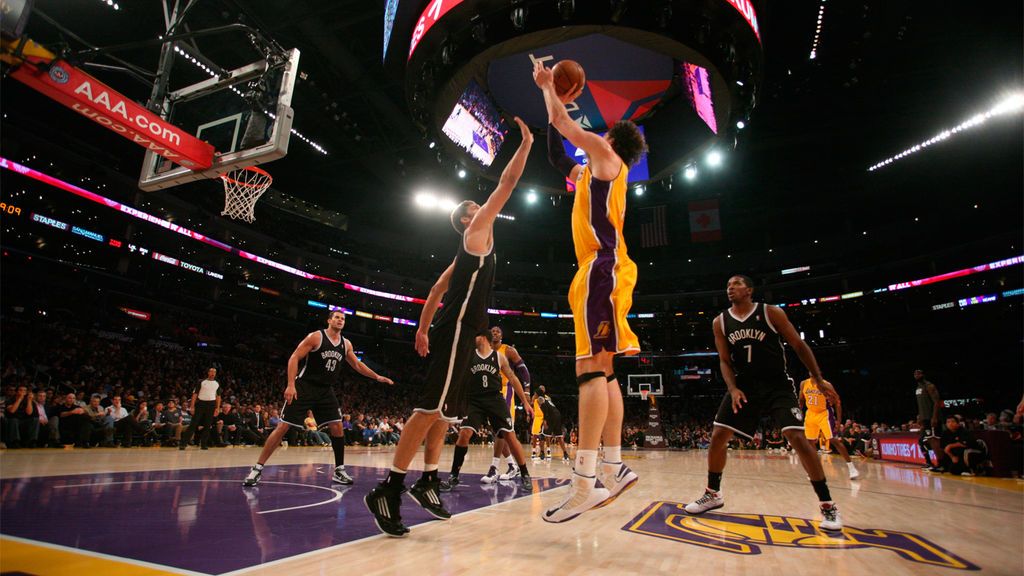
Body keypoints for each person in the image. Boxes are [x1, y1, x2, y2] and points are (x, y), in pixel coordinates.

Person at [364, 117, 534, 538]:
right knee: (427, 409)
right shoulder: (476, 233)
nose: (484, 207)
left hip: (455, 329)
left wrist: (422, 329)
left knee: (445, 413)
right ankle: (389, 488)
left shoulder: (468, 251)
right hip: (457, 330)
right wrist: (527, 143)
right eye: (476, 207)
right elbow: (507, 184)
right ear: (466, 220)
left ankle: (428, 478)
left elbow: (438, 287)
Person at [535, 60, 648, 522]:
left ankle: (584, 482)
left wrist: (549, 90)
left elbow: (563, 124)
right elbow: (556, 154)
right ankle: (615, 465)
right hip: (607, 269)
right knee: (606, 372)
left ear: (614, 140)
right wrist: (550, 110)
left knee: (588, 372)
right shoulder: (589, 173)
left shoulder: (607, 156)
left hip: (601, 268)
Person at [684, 275, 844, 531]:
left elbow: (798, 345)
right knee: (718, 437)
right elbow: (724, 361)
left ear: (749, 289)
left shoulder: (770, 313)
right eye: (727, 286)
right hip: (744, 386)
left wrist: (818, 378)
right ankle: (713, 494)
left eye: (735, 284)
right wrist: (733, 388)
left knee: (797, 438)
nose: (730, 288)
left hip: (777, 384)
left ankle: (828, 505)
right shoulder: (720, 322)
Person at [243, 310, 393, 487]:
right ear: (329, 320)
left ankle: (339, 470)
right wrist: (291, 384)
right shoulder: (316, 337)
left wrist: (376, 377)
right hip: (305, 386)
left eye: (343, 319)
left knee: (337, 426)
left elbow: (358, 365)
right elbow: (294, 357)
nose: (340, 320)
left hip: (325, 390)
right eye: (337, 317)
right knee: (283, 426)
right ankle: (257, 469)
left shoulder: (346, 344)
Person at [439, 330, 534, 492]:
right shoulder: (469, 355)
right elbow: (457, 378)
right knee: (464, 434)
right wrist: (448, 399)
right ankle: (453, 476)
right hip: (474, 400)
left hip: (495, 400)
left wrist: (525, 401)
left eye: (475, 336)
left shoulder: (499, 357)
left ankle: (525, 474)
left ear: (483, 338)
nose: (473, 339)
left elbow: (513, 378)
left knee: (510, 436)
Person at [489, 326, 532, 483]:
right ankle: (512, 466)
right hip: (489, 393)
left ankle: (494, 467)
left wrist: (526, 391)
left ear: (502, 335)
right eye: (492, 331)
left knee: (503, 430)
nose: (495, 333)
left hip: (505, 391)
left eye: (498, 331)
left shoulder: (508, 350)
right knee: (500, 433)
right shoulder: (484, 349)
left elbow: (524, 371)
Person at [800, 376, 859, 479]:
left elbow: (837, 401)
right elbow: (801, 400)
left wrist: (839, 421)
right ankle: (815, 470)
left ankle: (851, 468)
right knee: (810, 442)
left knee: (833, 439)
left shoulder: (826, 384)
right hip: (810, 414)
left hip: (824, 413)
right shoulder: (804, 383)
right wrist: (798, 413)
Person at [180, 368, 221, 450]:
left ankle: (204, 444)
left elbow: (218, 396)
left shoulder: (217, 383)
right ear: (208, 372)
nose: (213, 373)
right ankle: (183, 443)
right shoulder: (202, 382)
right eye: (211, 371)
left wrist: (217, 408)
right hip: (201, 403)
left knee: (208, 425)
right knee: (193, 424)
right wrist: (192, 406)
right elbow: (195, 394)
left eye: (214, 372)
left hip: (211, 404)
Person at [914, 369, 945, 472]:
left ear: (923, 374)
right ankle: (929, 462)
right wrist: (920, 417)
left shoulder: (929, 385)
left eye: (919, 373)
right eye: (915, 374)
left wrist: (934, 417)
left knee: (934, 440)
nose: (917, 375)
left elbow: (936, 402)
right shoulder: (918, 388)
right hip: (925, 419)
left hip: (932, 418)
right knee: (922, 441)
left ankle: (941, 464)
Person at [537, 387, 571, 463]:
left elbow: (545, 409)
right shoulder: (548, 399)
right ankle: (565, 454)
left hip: (551, 417)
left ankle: (542, 453)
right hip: (558, 416)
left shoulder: (540, 399)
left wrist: (545, 421)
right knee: (559, 436)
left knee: (542, 435)